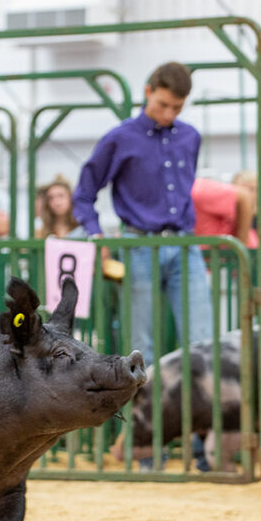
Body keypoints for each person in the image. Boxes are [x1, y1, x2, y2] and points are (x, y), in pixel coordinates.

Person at [73, 61, 213, 365]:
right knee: (141, 345)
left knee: (202, 341)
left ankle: (199, 411)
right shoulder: (120, 138)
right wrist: (95, 234)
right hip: (139, 247)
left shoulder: (190, 137)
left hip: (184, 244)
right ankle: (145, 411)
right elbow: (84, 192)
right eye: (162, 104)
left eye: (176, 108)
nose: (168, 114)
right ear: (147, 91)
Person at [191, 174, 256, 247]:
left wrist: (242, 246)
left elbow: (244, 196)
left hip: (231, 254)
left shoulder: (199, 189)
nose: (255, 194)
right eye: (252, 189)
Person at [36, 174, 84, 239]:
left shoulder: (83, 229)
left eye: (61, 196)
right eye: (51, 198)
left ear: (70, 197)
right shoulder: (42, 232)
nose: (56, 202)